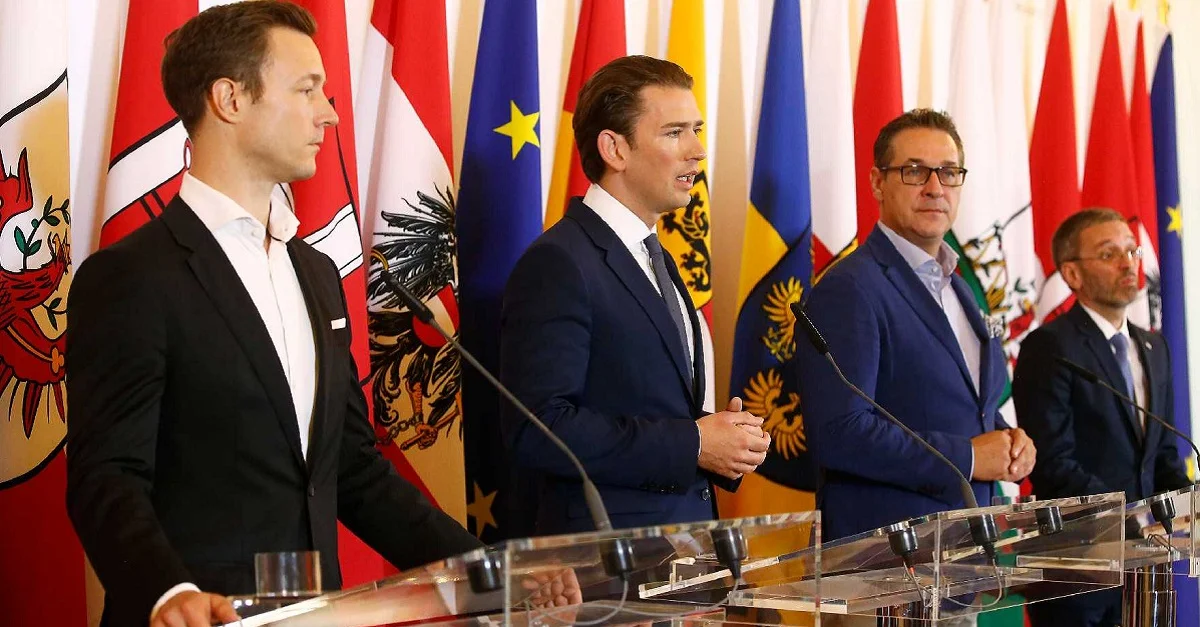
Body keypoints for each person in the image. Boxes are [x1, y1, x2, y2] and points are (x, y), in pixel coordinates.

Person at [65, 3, 480, 626]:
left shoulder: (316, 274)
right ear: (230, 99)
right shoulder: (130, 276)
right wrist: (167, 593)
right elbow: (106, 477)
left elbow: (352, 471)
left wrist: (485, 568)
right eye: (307, 89)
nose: (330, 113)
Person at [499, 55, 770, 535]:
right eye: (674, 133)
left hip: (680, 552)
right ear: (614, 149)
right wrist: (692, 442)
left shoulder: (655, 255)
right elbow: (539, 428)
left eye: (697, 129)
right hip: (604, 565)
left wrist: (724, 438)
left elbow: (647, 404)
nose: (697, 150)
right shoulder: (560, 262)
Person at [792, 109, 1036, 541]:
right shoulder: (850, 288)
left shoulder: (960, 289)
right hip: (885, 561)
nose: (934, 188)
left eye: (948, 172)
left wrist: (1008, 440)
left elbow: (959, 405)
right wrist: (967, 456)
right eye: (914, 171)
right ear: (877, 183)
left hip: (963, 550)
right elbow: (840, 431)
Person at [1013, 208, 1191, 627]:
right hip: (1078, 565)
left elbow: (1162, 456)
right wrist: (1133, 517)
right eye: (1109, 254)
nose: (1128, 262)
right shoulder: (1050, 346)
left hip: (1146, 569)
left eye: (1131, 251)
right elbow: (1054, 464)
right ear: (1072, 275)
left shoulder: (1153, 348)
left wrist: (1190, 504)